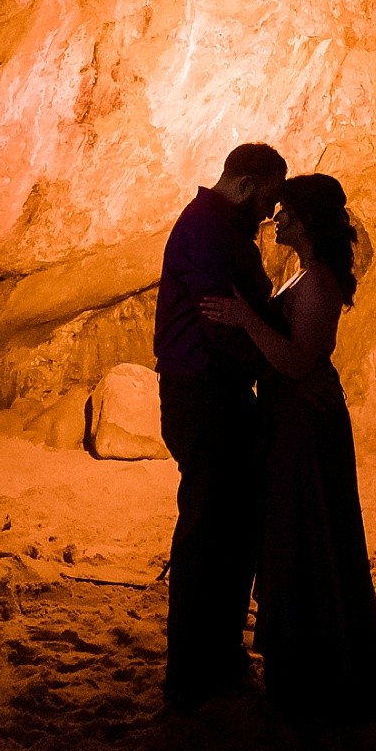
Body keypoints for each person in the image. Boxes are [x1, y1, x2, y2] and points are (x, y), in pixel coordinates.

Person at [201, 172, 376, 727]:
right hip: (290, 420)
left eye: (287, 211)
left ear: (309, 221)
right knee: (295, 533)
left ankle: (320, 666)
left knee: (310, 534)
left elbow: (299, 362)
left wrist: (245, 318)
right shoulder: (305, 275)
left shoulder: (318, 282)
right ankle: (304, 660)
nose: (277, 218)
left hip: (306, 427)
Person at [153, 140, 287, 713]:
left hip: (218, 393)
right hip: (203, 395)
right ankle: (191, 667)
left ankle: (218, 654)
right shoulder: (208, 230)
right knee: (209, 526)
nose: (270, 212)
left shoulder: (223, 226)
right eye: (269, 198)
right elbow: (219, 323)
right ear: (248, 182)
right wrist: (276, 366)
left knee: (229, 527)